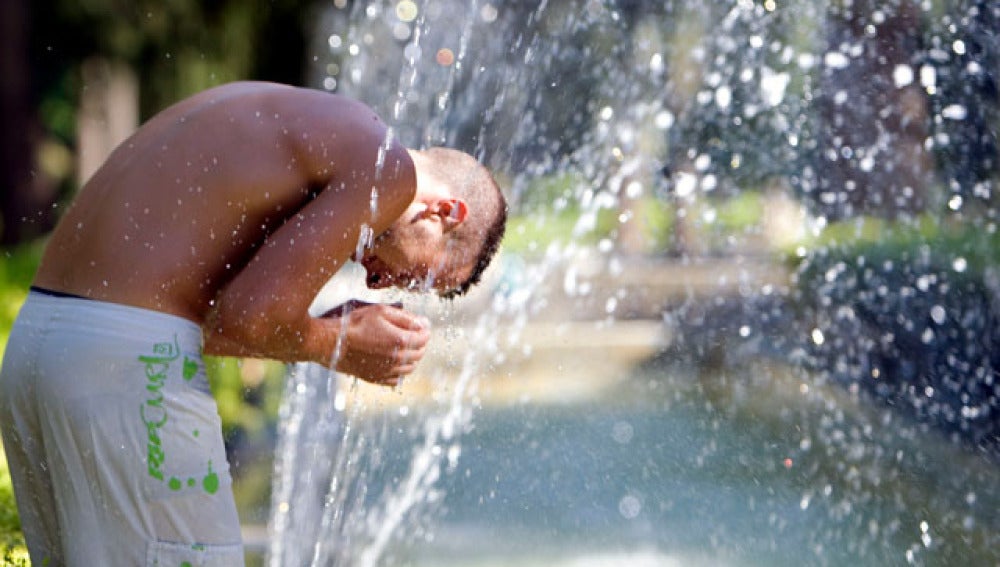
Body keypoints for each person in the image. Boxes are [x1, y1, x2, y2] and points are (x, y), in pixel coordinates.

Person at [0, 81, 507, 565]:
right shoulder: (387, 169)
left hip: (43, 345)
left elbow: (217, 327)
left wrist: (316, 332)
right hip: (126, 371)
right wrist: (340, 342)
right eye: (418, 277)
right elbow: (250, 319)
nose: (380, 285)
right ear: (444, 212)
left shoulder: (309, 125)